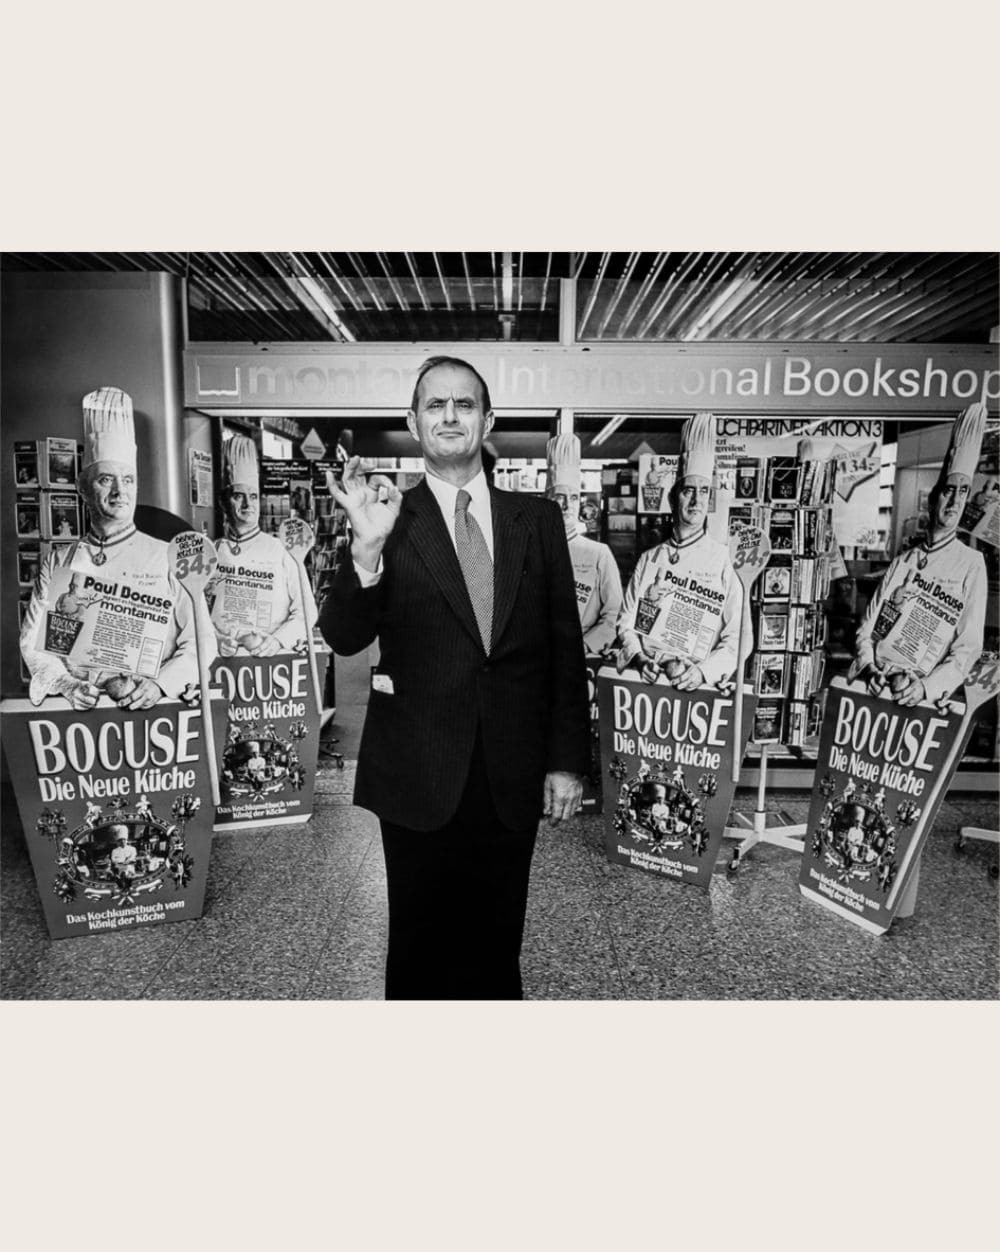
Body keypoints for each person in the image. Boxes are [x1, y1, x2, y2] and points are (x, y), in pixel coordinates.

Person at [321, 355, 589, 1000]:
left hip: (510, 769)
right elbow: (343, 636)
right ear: (414, 422)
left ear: (487, 421)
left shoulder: (537, 521)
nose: (449, 415)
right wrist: (366, 552)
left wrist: (566, 761)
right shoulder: (386, 518)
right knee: (419, 945)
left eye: (464, 404)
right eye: (434, 405)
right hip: (417, 768)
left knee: (498, 941)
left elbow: (564, 648)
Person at [20, 387, 208, 710]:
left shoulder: (168, 557)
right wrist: (66, 684)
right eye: (106, 480)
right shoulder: (60, 560)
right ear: (83, 488)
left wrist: (161, 685)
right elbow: (32, 642)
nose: (120, 491)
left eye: (129, 479)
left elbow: (202, 640)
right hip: (80, 717)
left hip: (154, 713)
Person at [851, 402, 988, 708]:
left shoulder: (972, 564)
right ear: (933, 499)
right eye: (949, 490)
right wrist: (869, 666)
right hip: (877, 687)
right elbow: (867, 627)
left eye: (963, 492)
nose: (955, 501)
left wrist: (927, 688)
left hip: (921, 698)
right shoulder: (904, 561)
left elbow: (968, 648)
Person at [617, 413, 750, 689]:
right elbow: (626, 622)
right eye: (688, 490)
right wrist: (640, 658)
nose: (696, 500)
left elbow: (739, 637)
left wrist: (703, 672)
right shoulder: (649, 559)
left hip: (699, 687)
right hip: (649, 682)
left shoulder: (724, 560)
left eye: (704, 491)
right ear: (672, 497)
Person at [208, 435, 315, 656]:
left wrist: (278, 641)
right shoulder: (211, 552)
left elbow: (307, 611)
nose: (248, 504)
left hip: (273, 662)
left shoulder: (282, 550)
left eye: (254, 496)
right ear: (223, 502)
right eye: (239, 496)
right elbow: (195, 612)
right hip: (220, 660)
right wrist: (215, 639)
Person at [545, 433, 622, 655]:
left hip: (582, 656)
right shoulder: (529, 550)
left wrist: (584, 646)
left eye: (574, 498)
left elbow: (614, 614)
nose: (567, 505)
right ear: (546, 500)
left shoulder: (598, 553)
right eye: (560, 497)